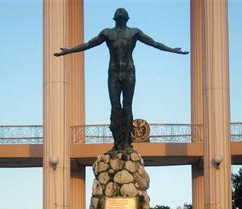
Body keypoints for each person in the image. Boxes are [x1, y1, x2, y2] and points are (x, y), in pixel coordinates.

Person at [54, 8, 188, 151]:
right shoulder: (107, 33)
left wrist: (173, 50)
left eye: (122, 15)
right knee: (115, 108)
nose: (120, 15)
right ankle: (117, 143)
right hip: (113, 72)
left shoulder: (134, 32)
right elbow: (88, 44)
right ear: (115, 18)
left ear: (127, 19)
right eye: (119, 15)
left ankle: (126, 143)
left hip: (129, 71)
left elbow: (154, 43)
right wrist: (68, 51)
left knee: (127, 107)